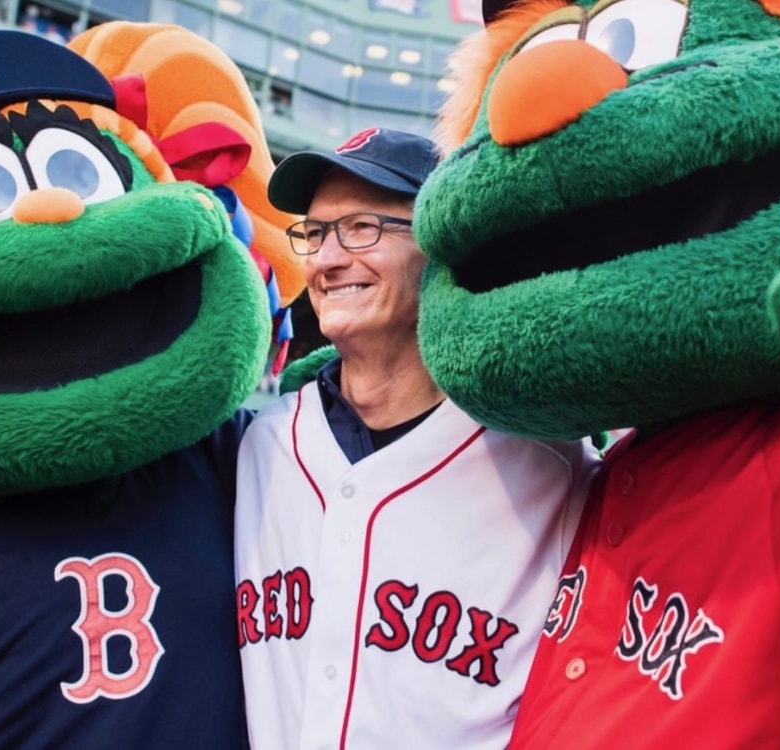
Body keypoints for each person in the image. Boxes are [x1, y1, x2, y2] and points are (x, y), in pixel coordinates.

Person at [234, 127, 601, 749]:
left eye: (362, 227)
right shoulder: (257, 450)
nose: (326, 259)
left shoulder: (551, 469)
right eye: (316, 233)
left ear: (441, 247)